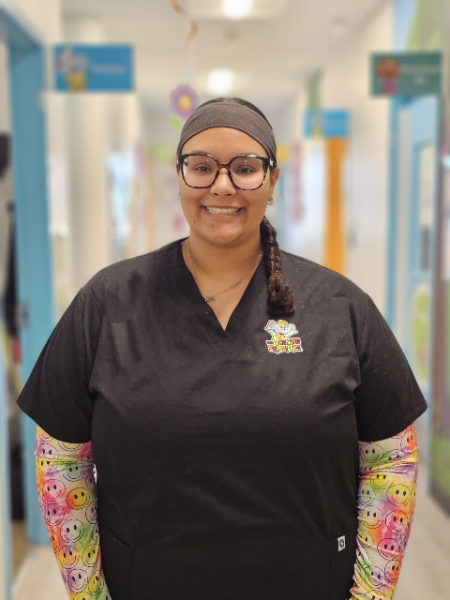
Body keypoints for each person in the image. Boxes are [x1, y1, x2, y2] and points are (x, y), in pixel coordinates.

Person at [18, 98, 426, 600]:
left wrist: (370, 594)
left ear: (272, 181)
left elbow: (390, 459)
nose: (223, 185)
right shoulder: (108, 303)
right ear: (179, 177)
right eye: (202, 166)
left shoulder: (339, 306)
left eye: (246, 168)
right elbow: (61, 457)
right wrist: (88, 594)